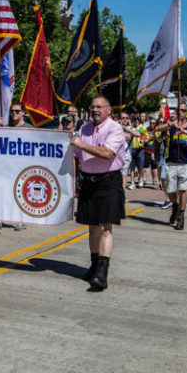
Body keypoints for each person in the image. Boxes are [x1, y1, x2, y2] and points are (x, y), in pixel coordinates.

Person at [70, 95, 125, 291]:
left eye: (99, 107)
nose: (95, 110)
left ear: (108, 110)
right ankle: (94, 265)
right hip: (88, 182)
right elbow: (75, 158)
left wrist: (80, 144)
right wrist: (73, 183)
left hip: (108, 181)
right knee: (92, 227)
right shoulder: (84, 129)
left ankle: (103, 272)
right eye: (92, 106)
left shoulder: (115, 128)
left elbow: (107, 153)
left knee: (105, 228)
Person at [157, 102, 187, 230]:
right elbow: (157, 129)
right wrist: (170, 124)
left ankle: (181, 217)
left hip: (185, 163)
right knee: (170, 190)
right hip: (172, 162)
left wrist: (185, 132)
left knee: (182, 190)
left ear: (186, 112)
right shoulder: (172, 126)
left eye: (183, 110)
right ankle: (175, 205)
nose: (180, 112)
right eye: (179, 110)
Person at [0, 101, 30, 234]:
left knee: (18, 194)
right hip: (6, 167)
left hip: (21, 167)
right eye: (12, 111)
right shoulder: (7, 127)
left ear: (23, 112)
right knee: (1, 193)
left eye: (17, 111)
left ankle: (21, 219)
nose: (14, 113)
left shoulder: (29, 129)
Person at [126, 114, 147, 189]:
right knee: (132, 167)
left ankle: (140, 179)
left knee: (140, 166)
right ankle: (132, 182)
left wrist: (144, 140)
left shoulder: (142, 128)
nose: (136, 121)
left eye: (137, 119)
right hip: (131, 149)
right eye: (134, 119)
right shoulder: (130, 128)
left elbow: (147, 137)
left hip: (140, 149)